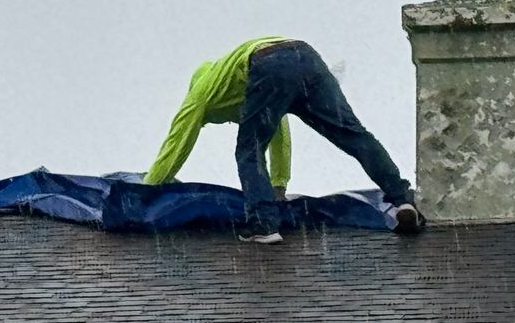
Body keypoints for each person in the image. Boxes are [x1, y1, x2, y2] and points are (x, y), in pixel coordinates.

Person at [145, 37, 422, 243]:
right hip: (307, 57)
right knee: (352, 134)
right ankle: (401, 200)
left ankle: (263, 225)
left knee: (249, 149)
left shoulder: (201, 92)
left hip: (269, 60)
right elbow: (280, 133)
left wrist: (149, 189)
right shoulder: (233, 82)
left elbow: (177, 142)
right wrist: (279, 186)